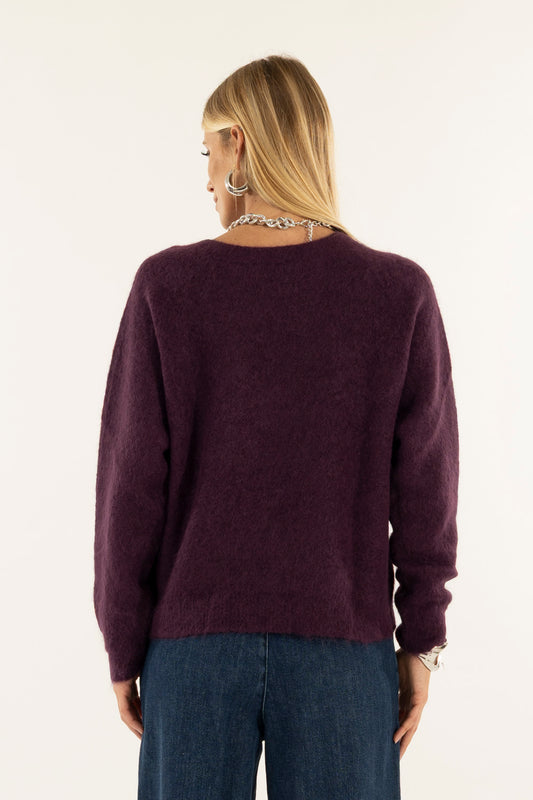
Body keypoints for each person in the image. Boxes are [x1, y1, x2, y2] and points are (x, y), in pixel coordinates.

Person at [93, 54, 459, 800]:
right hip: (343, 649)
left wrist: (123, 642)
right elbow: (428, 489)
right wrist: (422, 639)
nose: (206, 179)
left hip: (193, 648)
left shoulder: (167, 287)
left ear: (238, 144)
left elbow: (129, 488)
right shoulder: (398, 293)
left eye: (207, 151)